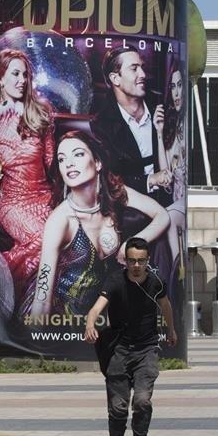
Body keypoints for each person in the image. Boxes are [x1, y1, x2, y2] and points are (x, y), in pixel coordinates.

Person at [28, 131, 169, 319]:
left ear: (98, 163)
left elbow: (163, 215)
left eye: (78, 154)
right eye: (62, 159)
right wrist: (39, 339)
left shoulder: (116, 192)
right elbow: (42, 298)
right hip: (67, 319)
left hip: (105, 313)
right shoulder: (60, 221)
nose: (69, 163)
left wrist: (132, 243)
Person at [84, 237, 177, 436]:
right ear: (125, 260)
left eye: (141, 261)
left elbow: (166, 306)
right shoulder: (115, 281)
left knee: (142, 401)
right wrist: (90, 324)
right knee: (118, 407)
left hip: (147, 350)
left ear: (148, 260)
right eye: (132, 261)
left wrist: (171, 330)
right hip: (120, 350)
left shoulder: (156, 281)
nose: (136, 266)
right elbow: (96, 309)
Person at [0, 49, 56, 307]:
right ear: (0, 78)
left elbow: (51, 163)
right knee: (43, 240)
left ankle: (36, 309)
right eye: (15, 74)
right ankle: (2, 284)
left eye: (25, 75)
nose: (22, 80)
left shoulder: (40, 112)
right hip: (12, 203)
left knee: (61, 244)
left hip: (43, 198)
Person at [91, 48, 172, 206]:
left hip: (168, 202)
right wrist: (151, 180)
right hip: (129, 207)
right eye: (134, 69)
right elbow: (110, 180)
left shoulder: (162, 106)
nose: (142, 74)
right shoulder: (102, 124)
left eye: (142, 67)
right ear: (115, 79)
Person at [152, 64, 187, 289]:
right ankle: (176, 273)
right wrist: (159, 131)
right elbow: (167, 177)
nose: (176, 93)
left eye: (180, 85)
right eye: (172, 87)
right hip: (177, 197)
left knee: (167, 218)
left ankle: (178, 271)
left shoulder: (188, 123)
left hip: (186, 199)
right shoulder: (173, 127)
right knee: (166, 220)